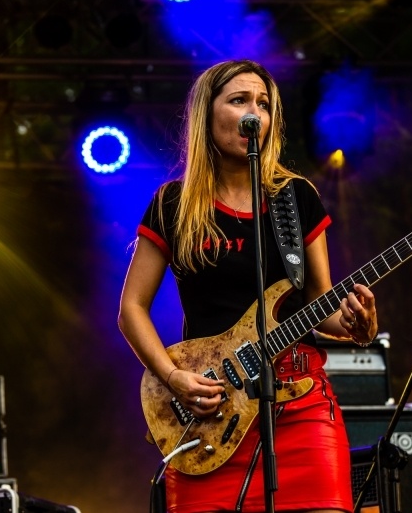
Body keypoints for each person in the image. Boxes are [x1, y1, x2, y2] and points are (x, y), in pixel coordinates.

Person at [117, 59, 378, 513]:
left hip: (300, 408)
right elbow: (131, 309)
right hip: (211, 418)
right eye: (239, 100)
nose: (254, 113)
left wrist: (356, 323)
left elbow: (320, 302)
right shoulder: (173, 205)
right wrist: (174, 377)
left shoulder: (296, 197)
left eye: (263, 103)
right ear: (207, 114)